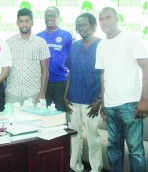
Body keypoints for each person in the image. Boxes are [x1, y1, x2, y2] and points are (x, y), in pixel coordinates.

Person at [96, 7, 148, 172]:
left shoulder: (132, 38)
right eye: (102, 19)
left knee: (135, 151)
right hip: (110, 106)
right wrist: (104, 102)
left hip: (131, 104)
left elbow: (145, 67)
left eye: (108, 17)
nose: (105, 22)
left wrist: (145, 100)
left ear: (117, 19)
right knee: (114, 149)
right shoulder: (101, 45)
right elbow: (103, 74)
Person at [64, 13, 103, 172]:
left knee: (93, 137)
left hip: (92, 101)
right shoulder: (75, 46)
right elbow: (70, 72)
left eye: (84, 24)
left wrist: (100, 99)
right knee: (74, 136)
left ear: (93, 26)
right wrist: (65, 95)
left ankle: (96, 169)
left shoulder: (102, 45)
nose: (81, 28)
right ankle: (75, 166)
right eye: (78, 25)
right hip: (74, 99)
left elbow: (105, 75)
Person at [6, 8, 50, 106]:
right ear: (17, 23)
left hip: (33, 93)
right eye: (21, 21)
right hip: (12, 92)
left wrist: (42, 94)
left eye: (27, 21)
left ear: (32, 22)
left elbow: (45, 70)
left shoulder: (41, 43)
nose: (24, 24)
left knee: (33, 121)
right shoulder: (9, 42)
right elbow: (5, 68)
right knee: (12, 120)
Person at [37, 6, 73, 111]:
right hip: (43, 83)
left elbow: (71, 60)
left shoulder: (67, 35)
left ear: (58, 17)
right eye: (47, 15)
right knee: (43, 114)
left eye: (53, 15)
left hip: (61, 82)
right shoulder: (38, 36)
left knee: (61, 114)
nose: (49, 18)